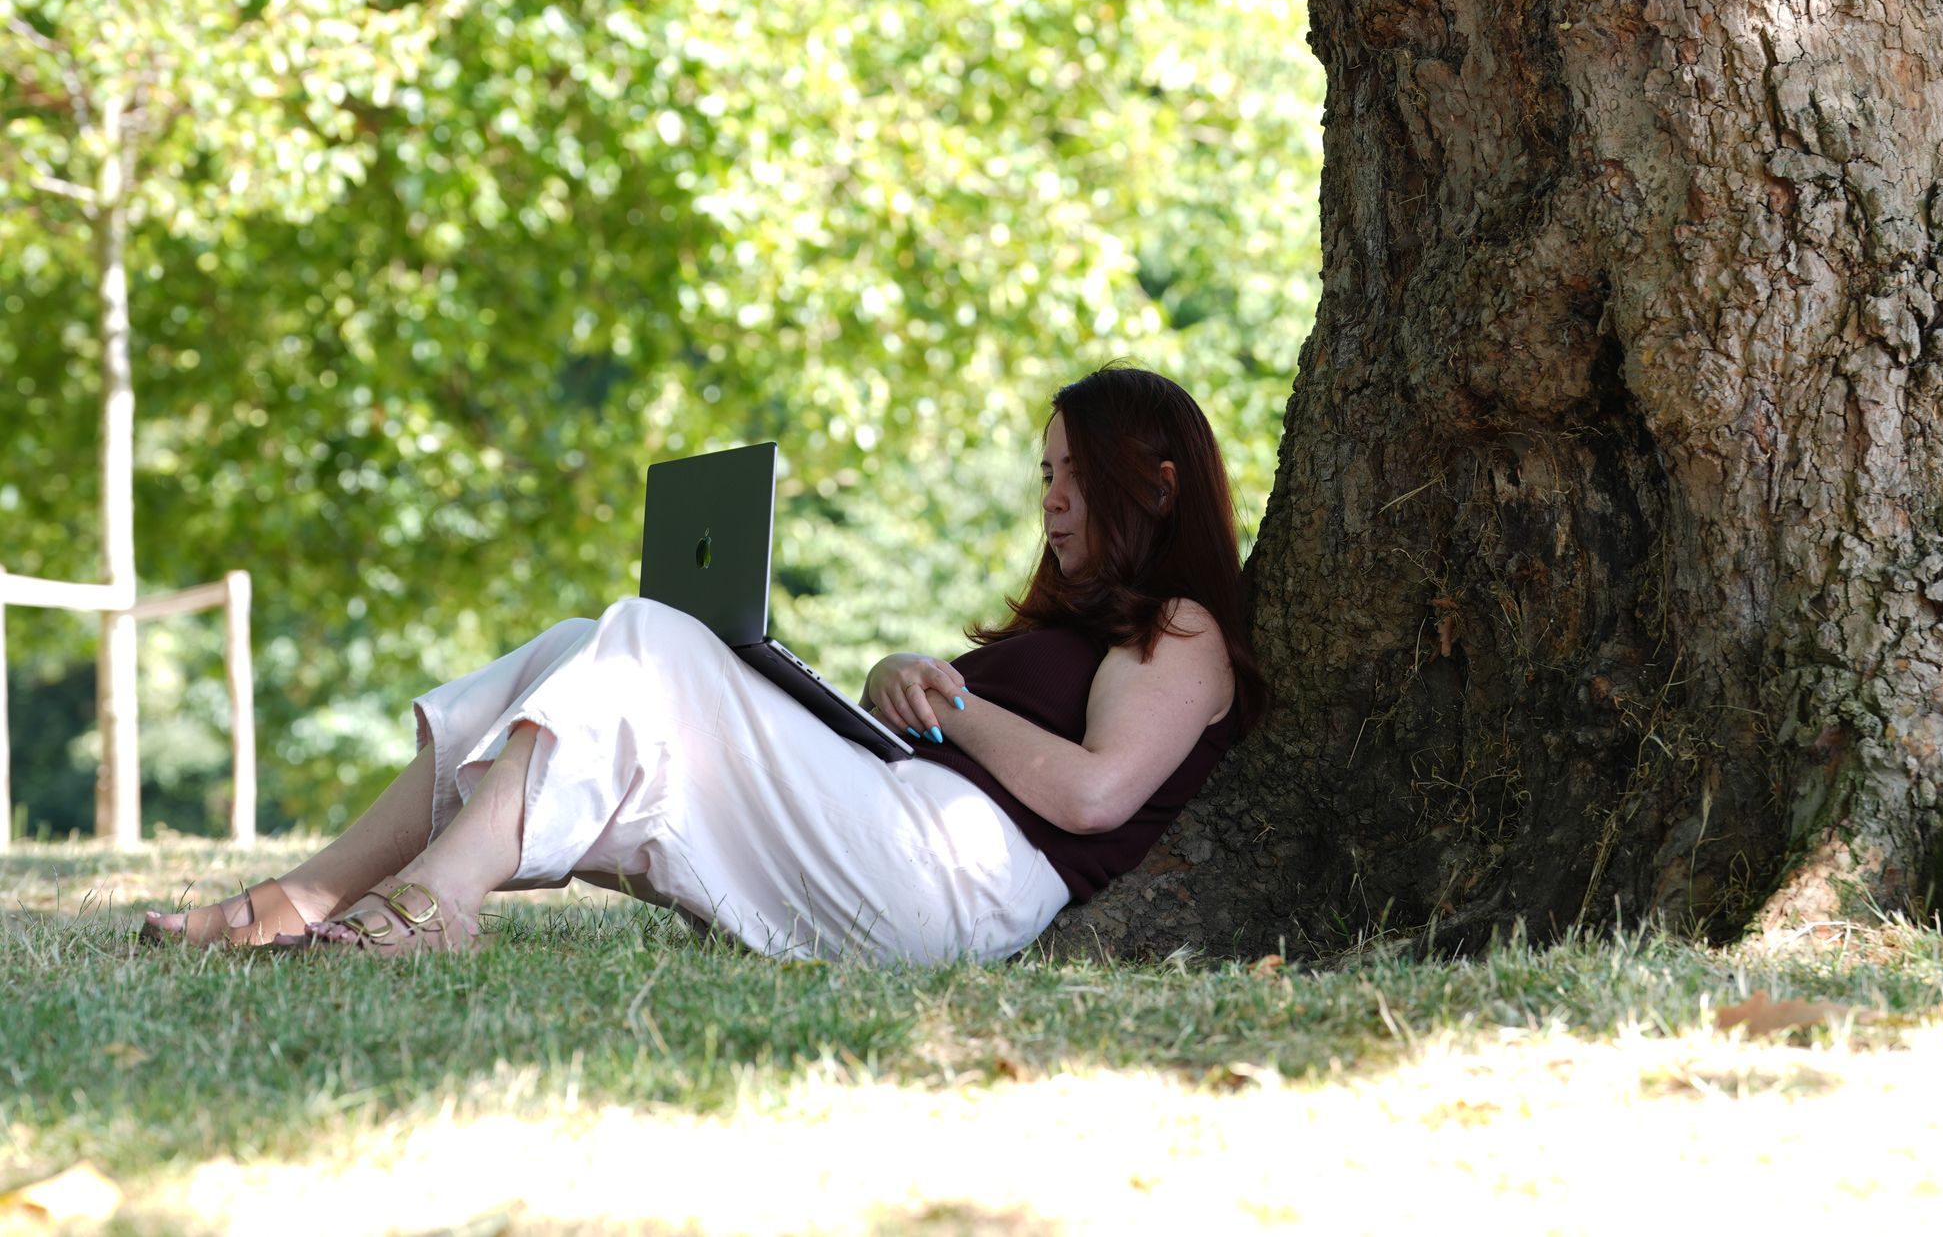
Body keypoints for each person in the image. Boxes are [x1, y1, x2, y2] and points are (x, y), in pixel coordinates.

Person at [141, 364, 1267, 963]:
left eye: (1075, 474)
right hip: (900, 825)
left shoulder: (1182, 629)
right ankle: (301, 897)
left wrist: (949, 701)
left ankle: (438, 899)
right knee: (576, 648)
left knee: (649, 631)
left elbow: (1093, 791)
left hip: (963, 881)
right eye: (1043, 474)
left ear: (1157, 484)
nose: (1051, 500)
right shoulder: (1083, 623)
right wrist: (885, 696)